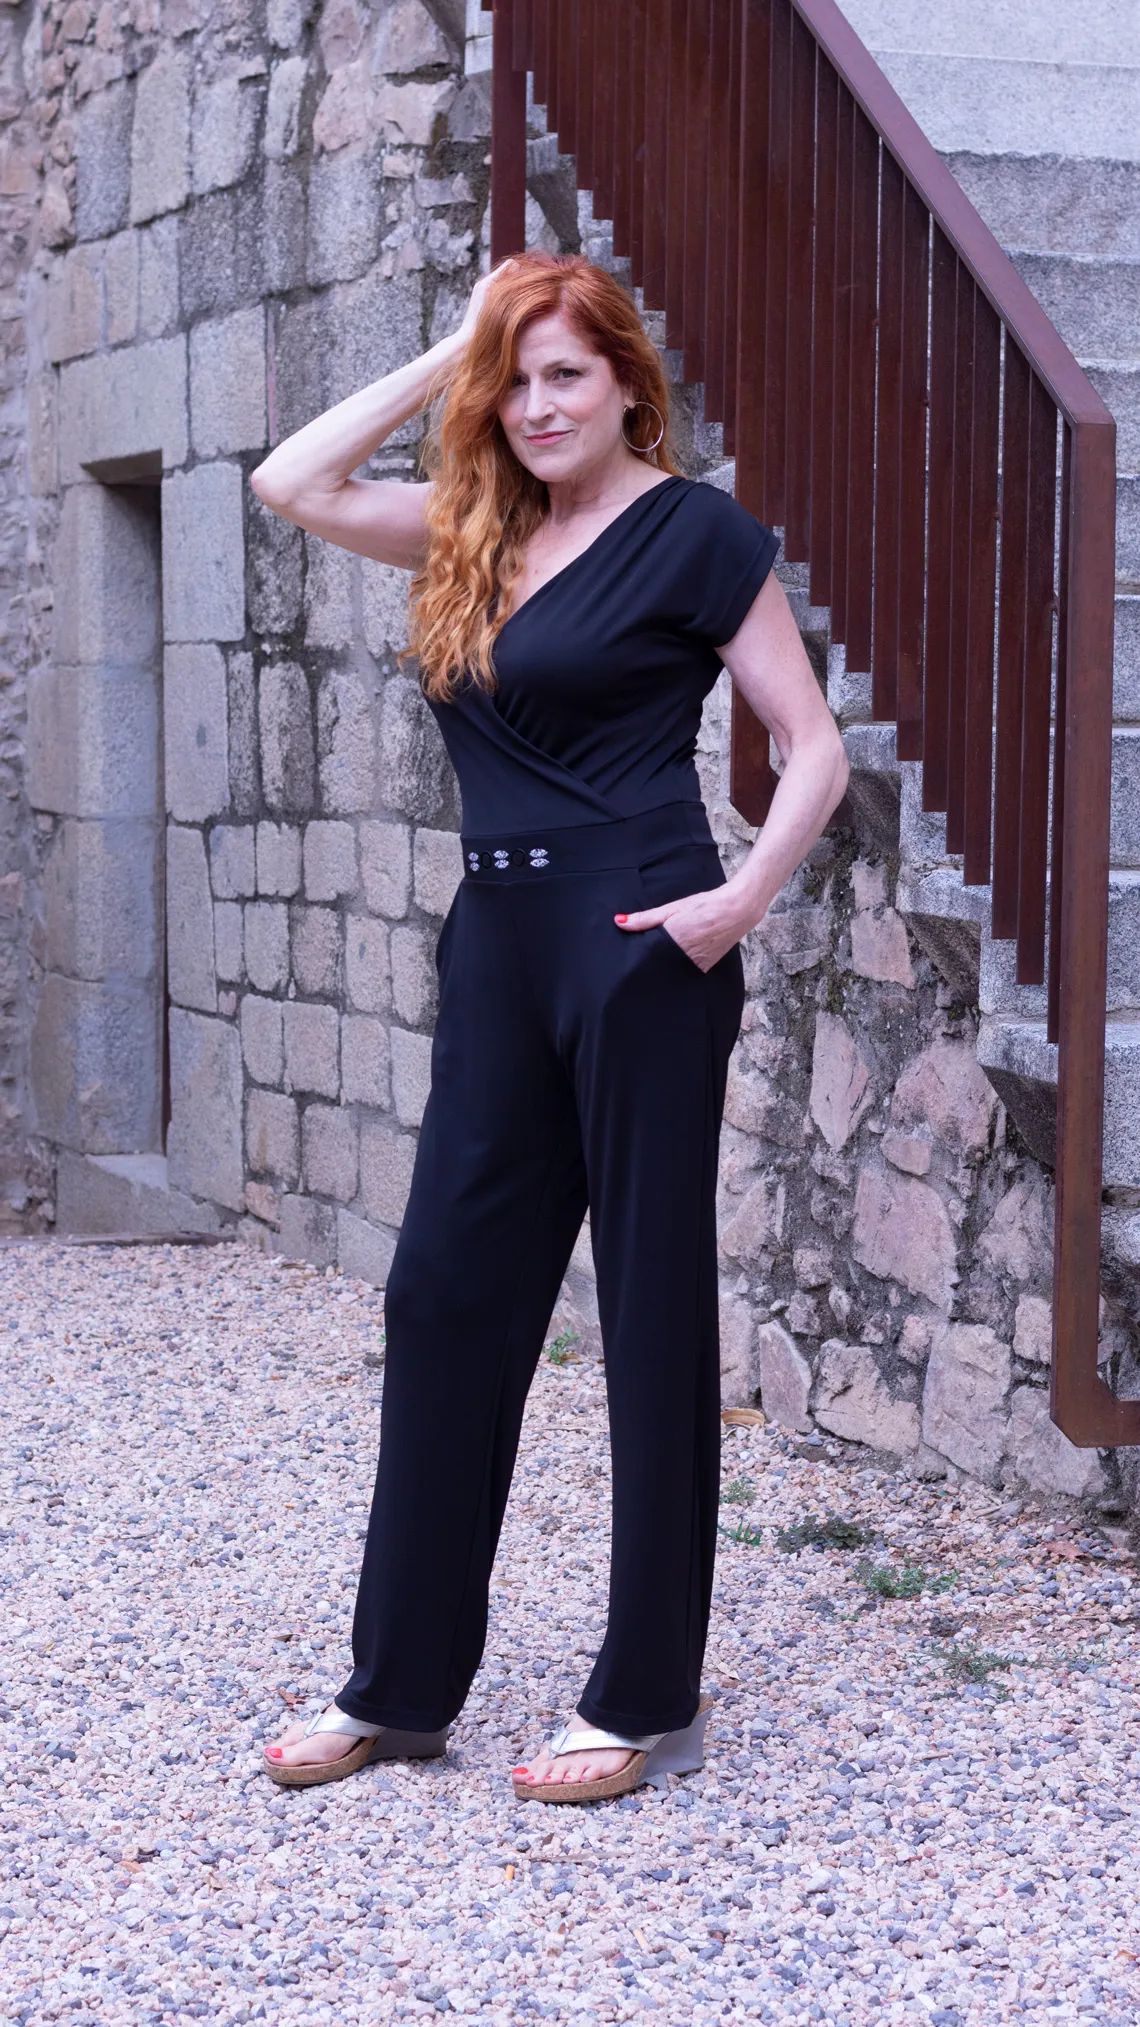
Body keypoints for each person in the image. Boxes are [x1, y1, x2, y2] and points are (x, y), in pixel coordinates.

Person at [250, 250, 848, 1802]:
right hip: (500, 947)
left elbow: (812, 742)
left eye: (565, 373)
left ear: (629, 384)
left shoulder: (695, 533)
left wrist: (737, 905)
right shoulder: (477, 528)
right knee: (444, 1292)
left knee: (648, 1311)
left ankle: (646, 1694)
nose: (535, 405)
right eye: (512, 382)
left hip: (643, 939)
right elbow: (290, 480)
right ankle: (399, 1687)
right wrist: (458, 341)